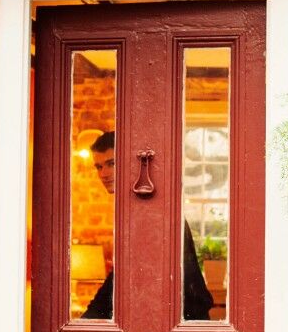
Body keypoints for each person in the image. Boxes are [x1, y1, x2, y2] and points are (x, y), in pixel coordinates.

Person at [81, 131, 214, 320]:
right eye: (98, 166)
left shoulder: (150, 210)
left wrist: (88, 319)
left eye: (112, 164)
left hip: (183, 321)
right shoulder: (133, 209)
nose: (104, 174)